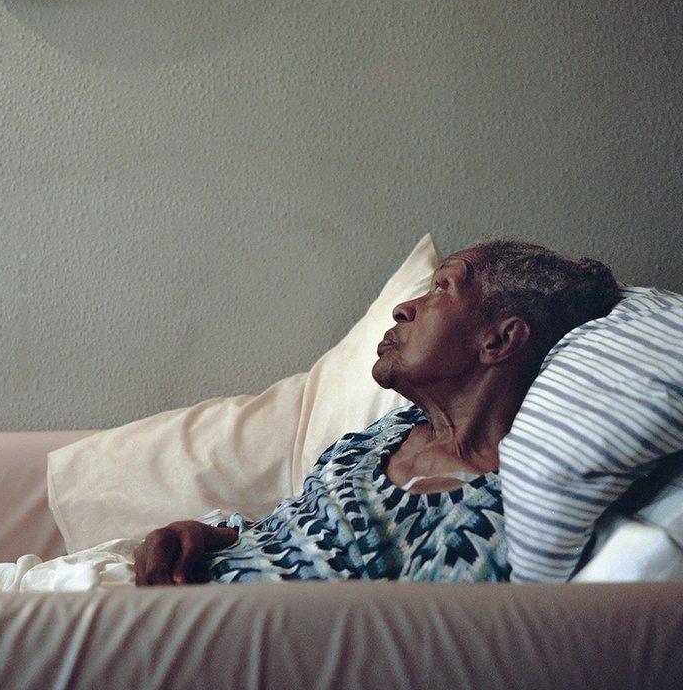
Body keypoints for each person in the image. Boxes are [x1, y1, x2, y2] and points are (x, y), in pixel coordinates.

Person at [134, 240, 621, 585]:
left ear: (498, 340)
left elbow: (393, 648)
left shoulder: (491, 515)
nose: (403, 308)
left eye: (441, 289)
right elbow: (285, 535)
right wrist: (204, 536)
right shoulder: (387, 435)